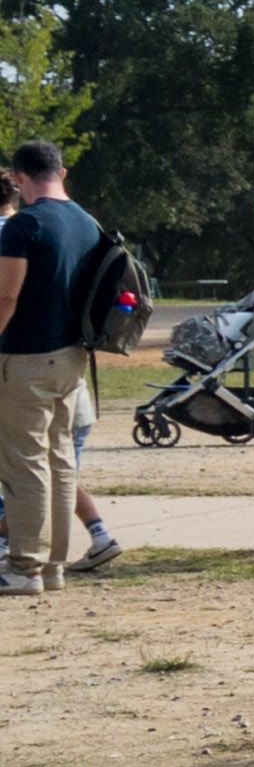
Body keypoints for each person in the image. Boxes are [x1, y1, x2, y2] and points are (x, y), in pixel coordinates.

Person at [0, 140, 108, 594]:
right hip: (72, 357)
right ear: (61, 172)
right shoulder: (87, 221)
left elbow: (7, 296)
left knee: (24, 464)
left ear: (19, 177)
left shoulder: (23, 225)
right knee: (60, 461)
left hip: (26, 358)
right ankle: (53, 567)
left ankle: (23, 568)